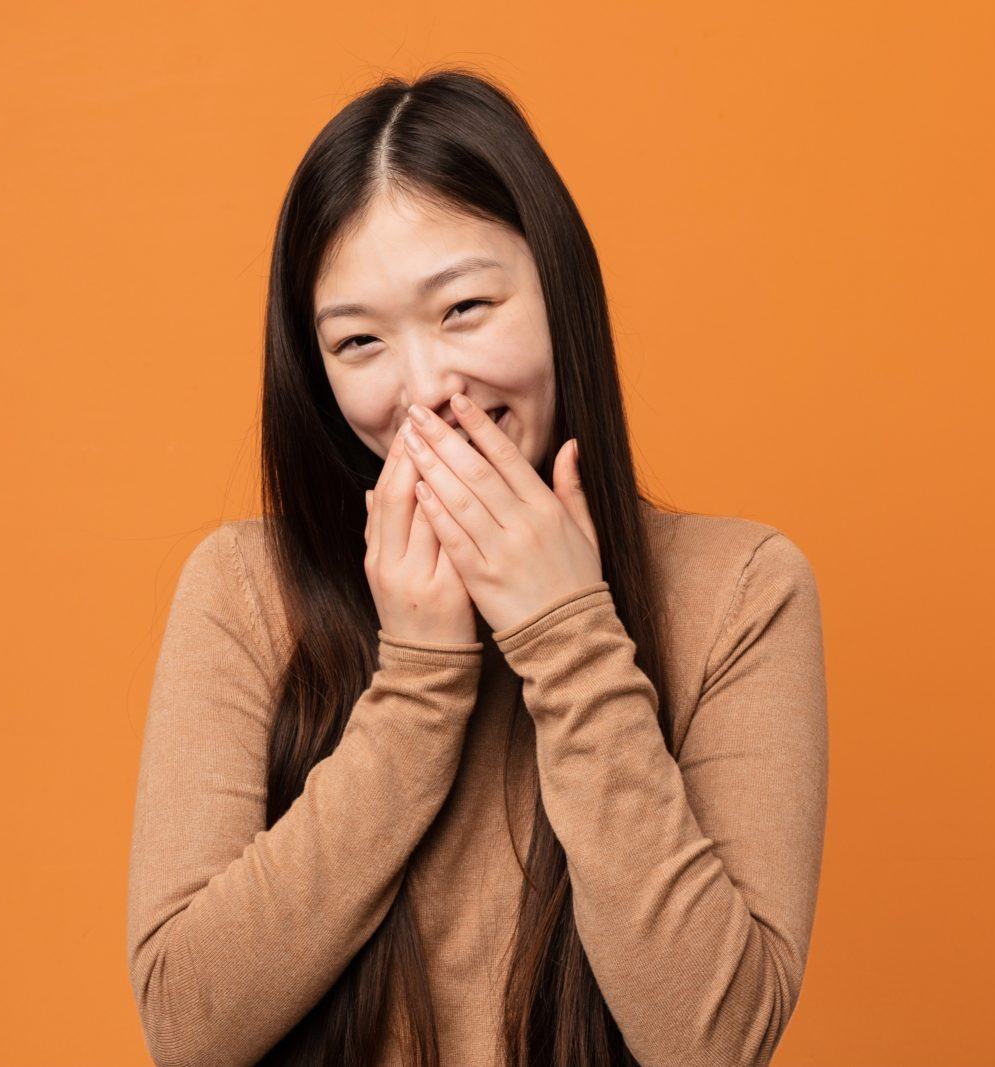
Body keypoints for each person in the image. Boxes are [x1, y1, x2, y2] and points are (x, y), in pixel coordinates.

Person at [126, 66, 828, 1067]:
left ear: (556, 288)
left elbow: (709, 1042)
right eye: (359, 340)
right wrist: (415, 681)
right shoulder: (245, 589)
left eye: (461, 309)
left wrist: (570, 636)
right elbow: (187, 1028)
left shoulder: (742, 589)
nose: (425, 390)